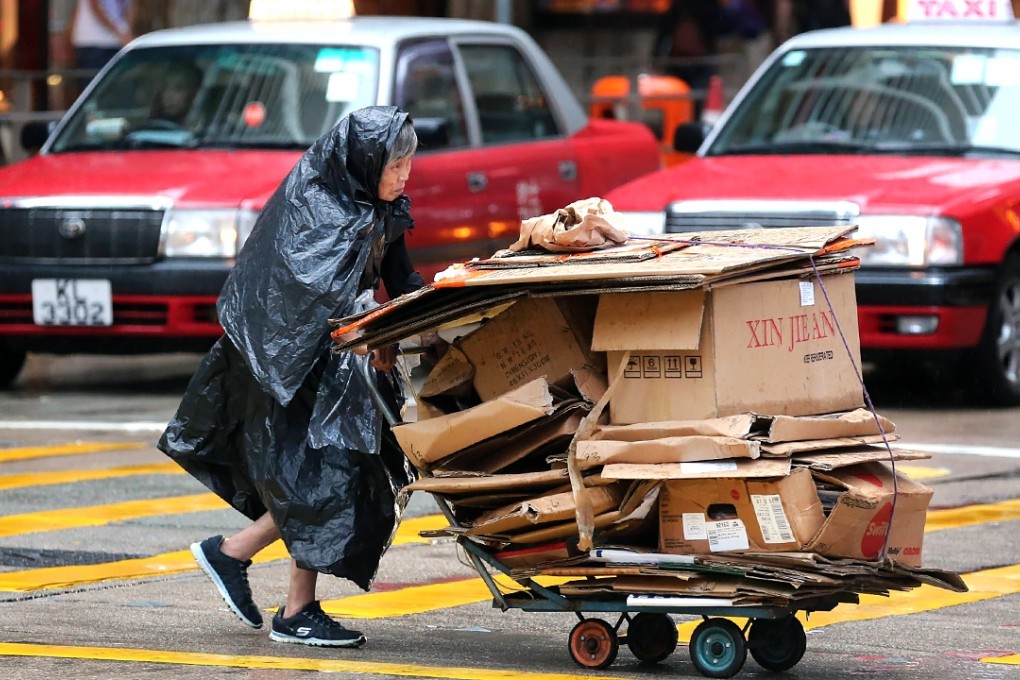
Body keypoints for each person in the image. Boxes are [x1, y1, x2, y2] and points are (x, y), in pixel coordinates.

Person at [158, 106, 427, 648]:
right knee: (324, 476)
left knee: (327, 477)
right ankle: (264, 581)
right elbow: (302, 291)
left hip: (336, 366)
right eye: (395, 165)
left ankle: (271, 586)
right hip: (285, 367)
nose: (404, 176)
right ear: (365, 160)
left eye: (408, 164)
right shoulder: (316, 204)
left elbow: (399, 278)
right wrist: (371, 331)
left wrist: (436, 306)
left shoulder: (381, 208)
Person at [70, 0, 135, 90]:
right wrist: (120, 34)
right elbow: (96, 6)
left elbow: (129, 7)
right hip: (93, 42)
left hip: (116, 43)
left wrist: (126, 31)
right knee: (93, 89)